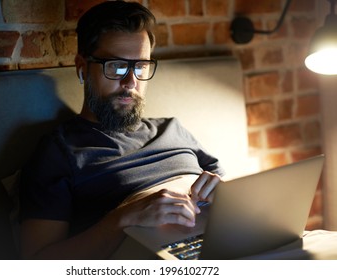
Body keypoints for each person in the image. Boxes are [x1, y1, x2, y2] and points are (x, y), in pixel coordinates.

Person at [19, 0, 223, 260]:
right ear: (82, 67)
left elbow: (229, 195)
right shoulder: (60, 153)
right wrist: (121, 219)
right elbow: (37, 264)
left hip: (217, 247)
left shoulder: (172, 129)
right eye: (116, 66)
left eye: (140, 66)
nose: (131, 82)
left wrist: (224, 194)